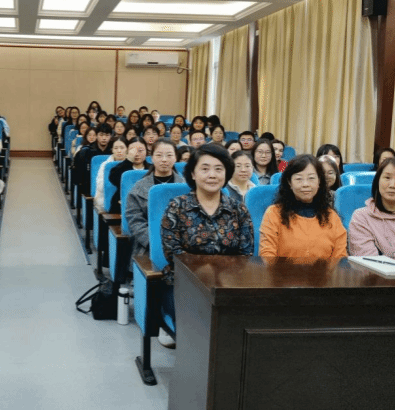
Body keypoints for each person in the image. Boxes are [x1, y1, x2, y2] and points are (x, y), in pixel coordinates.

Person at [160, 144, 254, 346]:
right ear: (193, 174)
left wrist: (225, 278)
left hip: (228, 282)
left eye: (219, 169)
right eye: (205, 169)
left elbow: (246, 252)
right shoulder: (177, 206)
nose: (212, 175)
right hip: (185, 280)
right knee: (199, 331)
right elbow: (173, 252)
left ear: (226, 174)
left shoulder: (238, 209)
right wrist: (203, 273)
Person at [259, 154, 347, 258]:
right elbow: (267, 256)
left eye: (311, 178)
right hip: (281, 269)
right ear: (289, 182)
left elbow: (340, 258)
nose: (305, 184)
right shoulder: (274, 213)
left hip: (325, 269)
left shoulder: (331, 217)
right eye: (299, 179)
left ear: (319, 181)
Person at [127, 140, 185, 267]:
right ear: (152, 158)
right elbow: (134, 220)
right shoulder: (139, 188)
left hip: (183, 245)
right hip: (148, 245)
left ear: (176, 158)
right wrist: (155, 242)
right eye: (159, 155)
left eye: (169, 155)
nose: (164, 160)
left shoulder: (185, 186)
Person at [349, 157, 395, 257]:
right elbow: (368, 261)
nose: (392, 185)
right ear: (377, 181)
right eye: (387, 178)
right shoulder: (361, 217)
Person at [108, 136, 150, 214]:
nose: (136, 154)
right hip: (121, 208)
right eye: (132, 150)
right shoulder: (120, 168)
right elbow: (113, 179)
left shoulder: (152, 169)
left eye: (140, 150)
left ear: (146, 152)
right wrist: (128, 161)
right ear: (127, 152)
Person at [94, 136, 128, 210]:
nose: (119, 151)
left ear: (127, 149)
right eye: (116, 148)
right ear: (112, 150)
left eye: (122, 148)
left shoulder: (131, 164)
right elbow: (100, 186)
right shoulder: (105, 165)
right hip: (104, 201)